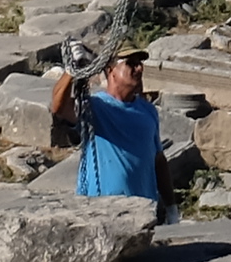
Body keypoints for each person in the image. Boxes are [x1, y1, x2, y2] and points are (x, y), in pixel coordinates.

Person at [67, 44, 164, 199]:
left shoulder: (148, 111)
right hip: (102, 208)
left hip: (144, 209)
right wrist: (71, 72)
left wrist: (171, 205)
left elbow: (158, 160)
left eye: (140, 64)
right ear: (111, 70)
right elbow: (60, 107)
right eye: (131, 63)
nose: (139, 69)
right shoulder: (95, 107)